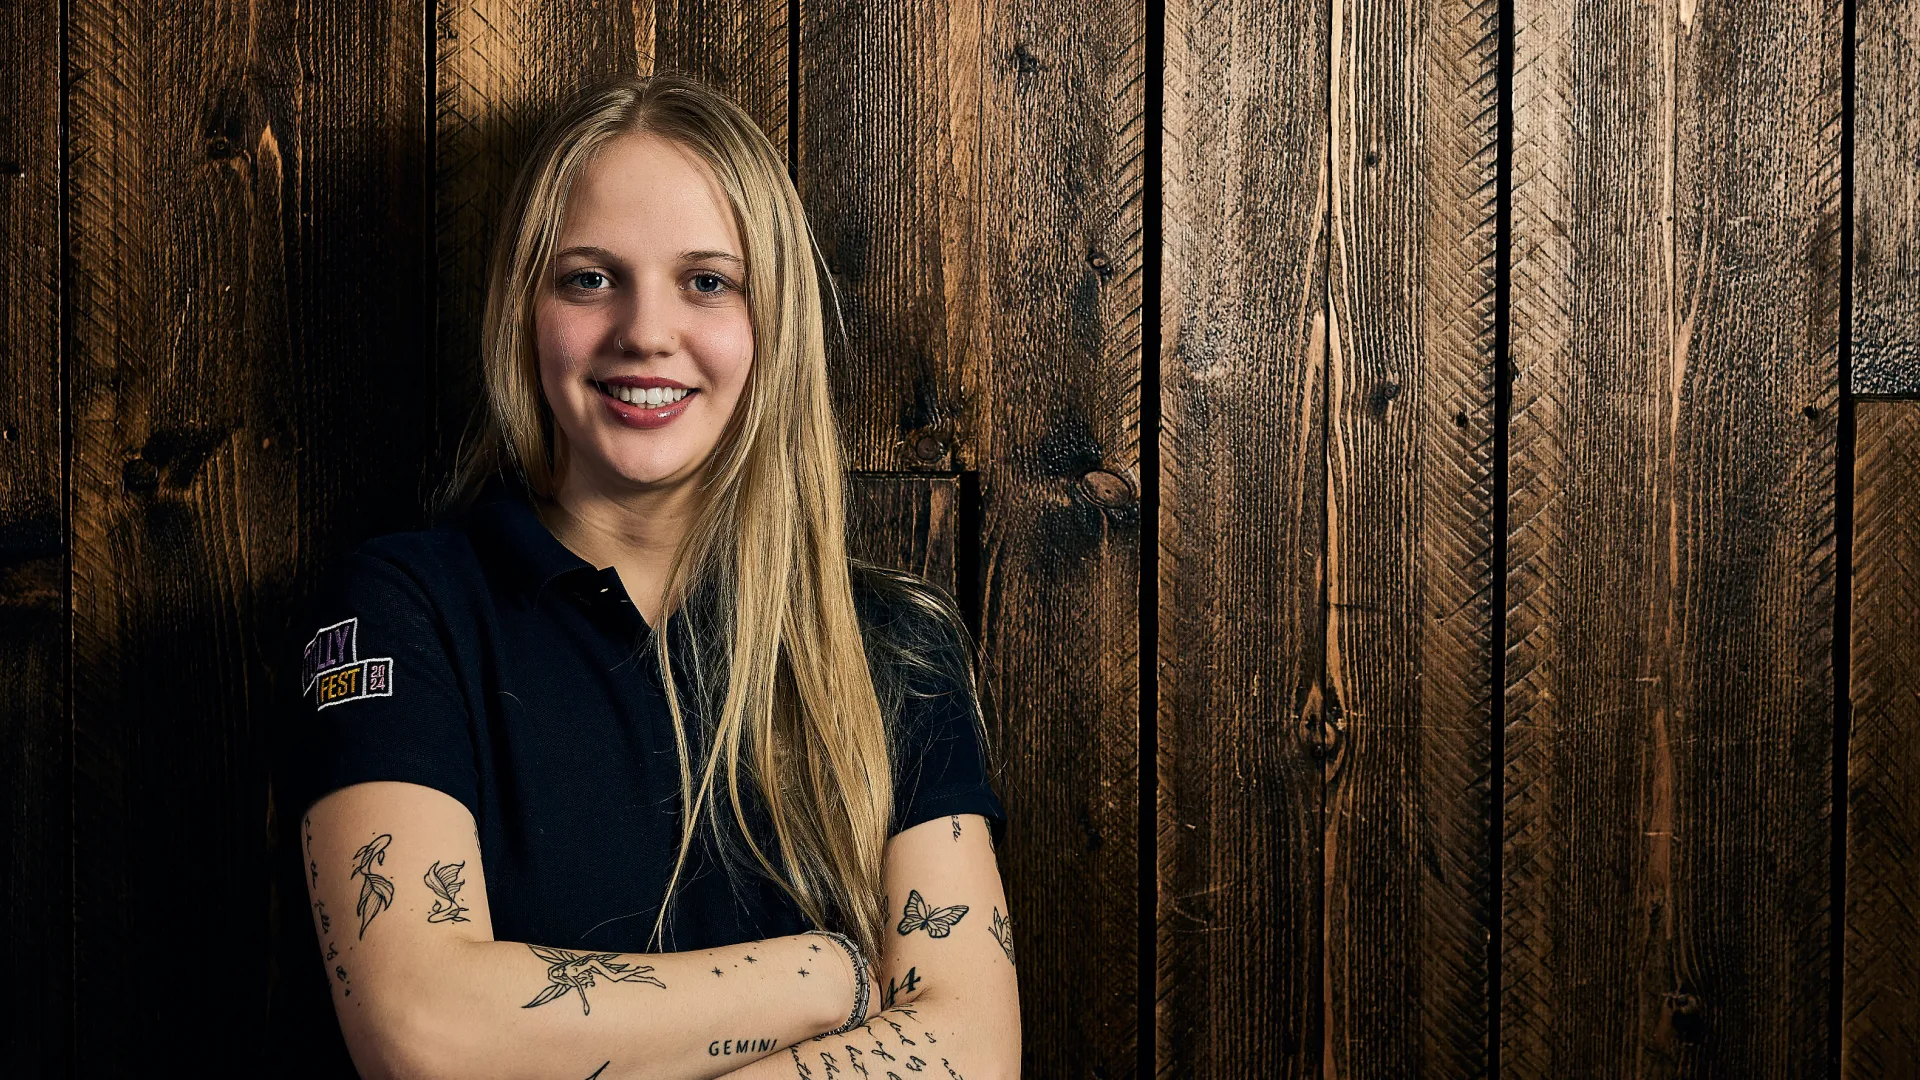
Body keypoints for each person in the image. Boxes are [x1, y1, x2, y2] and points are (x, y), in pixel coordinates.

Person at [274, 72, 1020, 1080]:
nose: (645, 331)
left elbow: (970, 1050)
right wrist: (828, 975)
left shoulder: (890, 645)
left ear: (773, 322)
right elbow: (426, 1032)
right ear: (523, 308)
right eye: (589, 278)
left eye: (707, 281)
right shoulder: (405, 610)